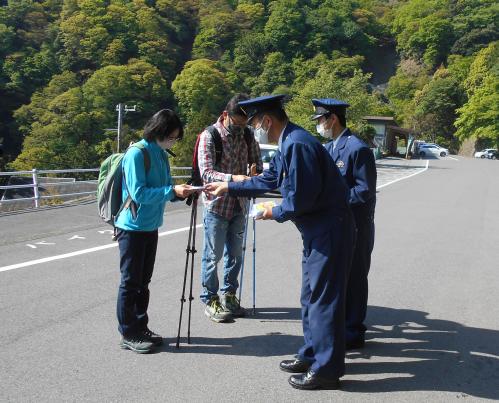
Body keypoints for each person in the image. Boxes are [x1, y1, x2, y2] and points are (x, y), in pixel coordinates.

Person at [206, 95, 356, 390]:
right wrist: (230, 186)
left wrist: (273, 211)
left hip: (329, 230)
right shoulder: (290, 141)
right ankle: (312, 352)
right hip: (317, 231)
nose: (254, 130)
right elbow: (271, 177)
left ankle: (327, 369)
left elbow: (301, 198)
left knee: (324, 301)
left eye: (255, 123)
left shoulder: (297, 144)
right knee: (310, 297)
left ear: (266, 121)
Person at [114, 109, 196, 354]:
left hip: (150, 226)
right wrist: (172, 192)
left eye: (175, 137)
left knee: (144, 281)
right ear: (158, 131)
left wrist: (180, 192)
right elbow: (138, 193)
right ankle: (128, 333)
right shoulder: (136, 154)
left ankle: (141, 327)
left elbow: (163, 187)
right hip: (132, 227)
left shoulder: (160, 153)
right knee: (130, 282)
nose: (172, 141)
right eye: (171, 136)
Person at [311, 98, 377, 350]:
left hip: (357, 224)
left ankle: (354, 330)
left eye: (320, 120)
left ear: (333, 119)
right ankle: (341, 326)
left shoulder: (356, 148)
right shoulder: (330, 147)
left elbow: (364, 191)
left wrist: (331, 200)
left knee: (356, 277)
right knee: (339, 276)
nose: (319, 125)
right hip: (337, 224)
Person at [198, 94, 263, 322]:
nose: (240, 128)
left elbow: (258, 164)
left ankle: (230, 295)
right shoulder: (210, 136)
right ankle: (210, 299)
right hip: (217, 206)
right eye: (237, 122)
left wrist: (254, 174)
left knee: (235, 254)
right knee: (212, 255)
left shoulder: (247, 134)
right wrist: (232, 178)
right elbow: (206, 173)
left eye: (244, 123)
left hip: (240, 204)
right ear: (226, 115)